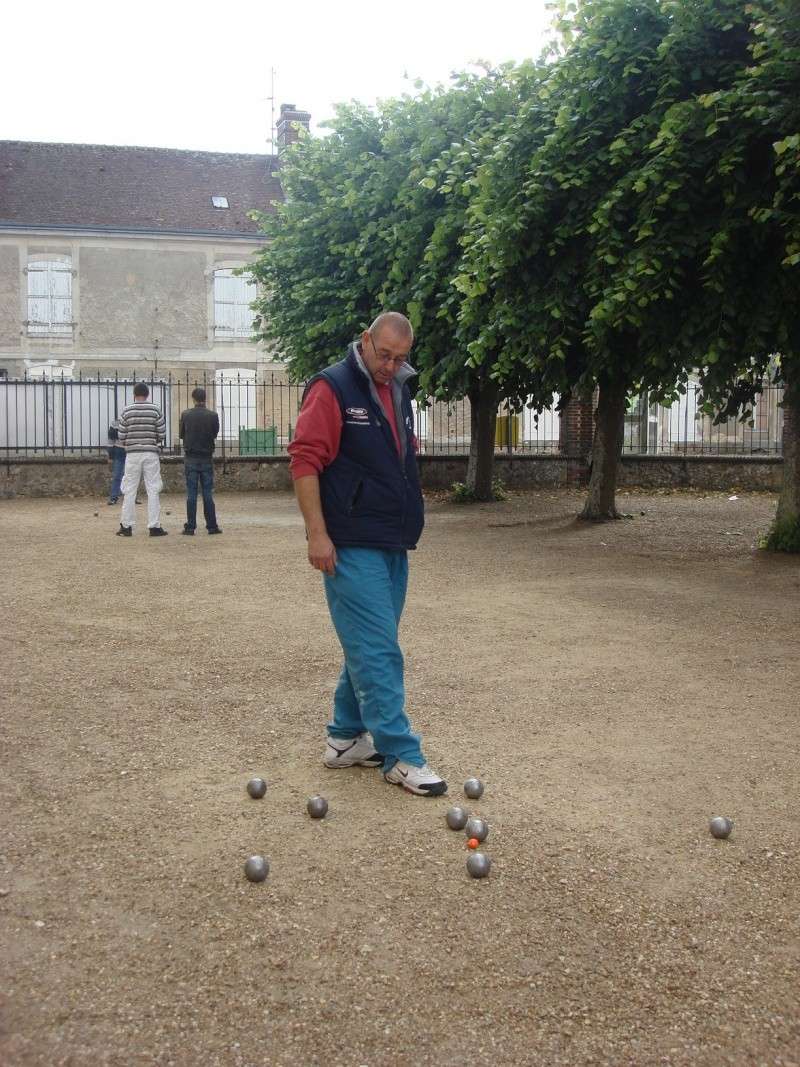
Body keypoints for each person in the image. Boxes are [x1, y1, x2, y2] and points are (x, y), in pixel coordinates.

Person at [288, 311, 446, 797]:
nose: (391, 365)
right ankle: (401, 755)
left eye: (401, 358)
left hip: (392, 538)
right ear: (365, 341)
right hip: (351, 539)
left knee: (369, 640)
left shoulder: (398, 389)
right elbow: (304, 460)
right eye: (384, 354)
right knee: (379, 648)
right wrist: (317, 534)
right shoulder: (331, 388)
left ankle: (344, 738)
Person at [116, 382, 168, 537]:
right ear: (148, 394)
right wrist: (152, 440)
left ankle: (126, 526)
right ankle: (154, 526)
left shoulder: (127, 410)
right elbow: (162, 433)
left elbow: (121, 436)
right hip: (150, 453)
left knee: (129, 490)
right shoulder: (155, 410)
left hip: (132, 454)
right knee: (153, 489)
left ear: (134, 394)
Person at [178, 386, 221, 535]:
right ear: (205, 399)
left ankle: (190, 527)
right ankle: (212, 526)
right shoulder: (213, 415)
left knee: (191, 493)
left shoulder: (185, 415)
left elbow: (182, 434)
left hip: (191, 457)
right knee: (207, 493)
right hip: (206, 457)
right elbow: (215, 433)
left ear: (193, 399)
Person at [106, 417, 125, 504]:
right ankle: (114, 497)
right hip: (119, 451)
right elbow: (111, 441)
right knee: (117, 475)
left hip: (132, 451)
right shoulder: (115, 424)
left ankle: (132, 497)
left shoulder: (135, 422)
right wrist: (110, 456)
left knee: (132, 476)